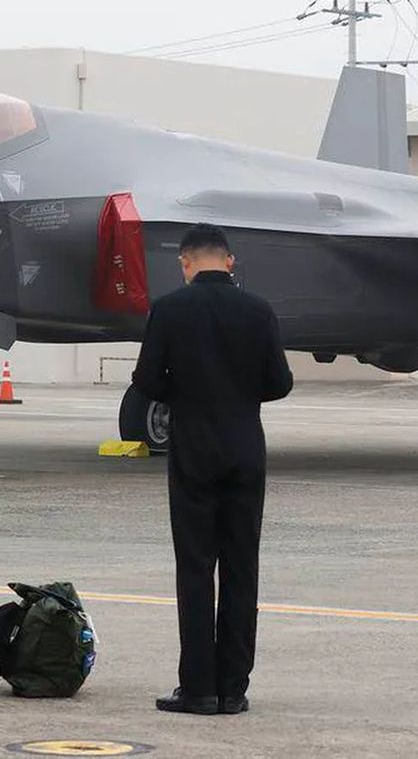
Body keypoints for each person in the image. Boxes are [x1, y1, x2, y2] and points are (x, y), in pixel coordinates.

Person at [131, 223, 294, 716]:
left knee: (196, 569)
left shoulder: (169, 309)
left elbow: (145, 381)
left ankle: (198, 687)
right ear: (229, 261)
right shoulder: (258, 310)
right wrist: (239, 396)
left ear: (185, 263)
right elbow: (280, 383)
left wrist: (187, 393)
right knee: (243, 569)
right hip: (246, 450)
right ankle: (233, 688)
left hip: (194, 451)